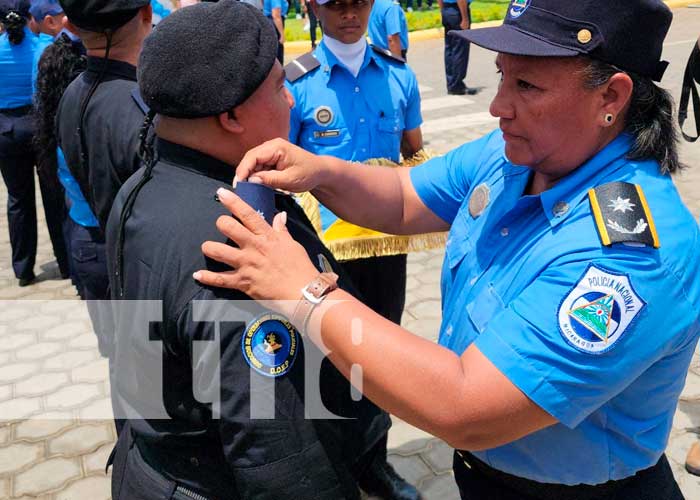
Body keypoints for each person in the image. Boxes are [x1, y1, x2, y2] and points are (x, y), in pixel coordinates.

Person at [197, 0, 700, 498]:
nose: (498, 105)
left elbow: (466, 406)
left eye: (526, 86)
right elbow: (401, 198)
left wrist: (301, 293)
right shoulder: (519, 155)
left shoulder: (631, 255)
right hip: (483, 476)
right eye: (502, 76)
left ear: (610, 97)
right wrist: (319, 170)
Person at [105, 2, 390, 499]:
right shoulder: (241, 249)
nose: (293, 103)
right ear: (231, 115)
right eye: (280, 88)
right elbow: (284, 459)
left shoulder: (141, 186)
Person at [285, 1, 424, 497]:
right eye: (335, 3)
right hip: (326, 251)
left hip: (386, 244)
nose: (348, 12)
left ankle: (374, 463)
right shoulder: (297, 83)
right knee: (331, 357)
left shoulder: (398, 76)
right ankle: (335, 462)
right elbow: (281, 167)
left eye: (357, 2)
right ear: (313, 8)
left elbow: (414, 151)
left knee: (381, 354)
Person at [0, 0, 69, 287]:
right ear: (30, 16)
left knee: (18, 199)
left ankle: (23, 269)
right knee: (53, 195)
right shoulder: (43, 47)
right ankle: (65, 262)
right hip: (38, 126)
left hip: (5, 130)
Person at [439, 0, 475, 95]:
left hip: (447, 10)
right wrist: (465, 18)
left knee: (449, 49)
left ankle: (451, 83)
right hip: (458, 11)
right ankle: (457, 85)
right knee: (460, 49)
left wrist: (443, 11)